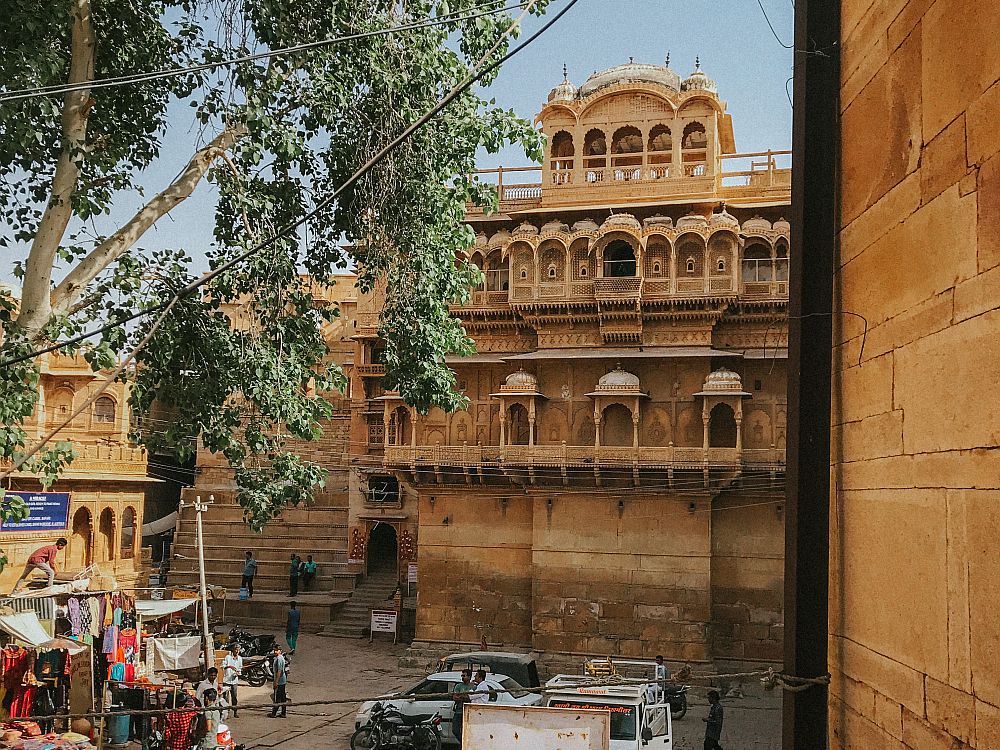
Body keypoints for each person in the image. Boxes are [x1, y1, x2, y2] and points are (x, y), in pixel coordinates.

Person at [221, 643, 244, 718]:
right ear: (233, 650)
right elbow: (222, 666)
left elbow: (240, 668)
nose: (237, 651)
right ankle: (226, 712)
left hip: (234, 680)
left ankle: (235, 711)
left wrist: (238, 673)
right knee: (226, 697)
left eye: (238, 650)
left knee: (234, 697)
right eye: (236, 649)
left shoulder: (240, 658)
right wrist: (229, 666)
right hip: (227, 680)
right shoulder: (228, 657)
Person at [450, 669, 473, 743]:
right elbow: (455, 697)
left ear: (469, 677)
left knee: (467, 730)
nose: (462, 677)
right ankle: (463, 742)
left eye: (464, 676)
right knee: (455, 730)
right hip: (459, 711)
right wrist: (464, 696)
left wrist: (462, 696)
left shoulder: (473, 687)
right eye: (462, 676)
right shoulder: (459, 686)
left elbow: (471, 698)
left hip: (468, 712)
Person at [268, 644, 288, 718]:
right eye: (275, 650)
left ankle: (274, 713)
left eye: (277, 650)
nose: (275, 652)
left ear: (280, 651)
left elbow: (279, 671)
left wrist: (276, 681)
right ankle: (283, 712)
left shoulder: (279, 659)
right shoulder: (280, 657)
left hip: (280, 680)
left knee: (278, 698)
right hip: (282, 680)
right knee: (283, 697)